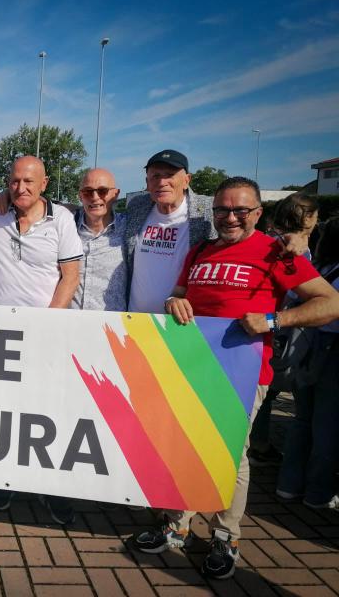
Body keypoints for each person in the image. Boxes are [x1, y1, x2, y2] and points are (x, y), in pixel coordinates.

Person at [134, 177, 339, 580]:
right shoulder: (201, 250)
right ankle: (177, 523)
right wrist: (175, 301)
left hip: (243, 371)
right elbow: (178, 293)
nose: (230, 218)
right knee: (184, 443)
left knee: (230, 453)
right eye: (222, 210)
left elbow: (330, 303)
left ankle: (226, 535)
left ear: (258, 214)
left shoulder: (275, 253)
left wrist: (274, 320)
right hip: (193, 366)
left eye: (240, 211)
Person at [0, 155, 83, 524]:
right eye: (13, 181)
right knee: (5, 413)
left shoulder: (61, 220)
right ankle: (4, 480)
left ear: (44, 184)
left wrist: (49, 324)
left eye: (29, 182)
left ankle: (51, 488)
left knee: (49, 415)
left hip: (46, 337)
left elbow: (70, 277)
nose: (20, 188)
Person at [248, 193, 321, 466]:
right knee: (278, 390)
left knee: (266, 392)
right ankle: (265, 447)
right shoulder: (290, 248)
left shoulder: (267, 238)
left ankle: (258, 442)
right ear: (308, 217)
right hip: (279, 327)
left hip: (268, 326)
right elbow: (300, 293)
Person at [276, 216, 339, 510]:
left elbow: (290, 294)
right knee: (327, 425)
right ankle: (317, 493)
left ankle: (288, 484)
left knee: (304, 419)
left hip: (306, 347)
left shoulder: (321, 266)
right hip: (330, 350)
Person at [125, 150, 216, 314]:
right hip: (135, 320)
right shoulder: (136, 206)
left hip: (180, 323)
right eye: (155, 176)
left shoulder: (207, 212)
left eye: (170, 175)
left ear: (187, 180)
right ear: (147, 182)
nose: (162, 182)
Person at [69, 168, 128, 311]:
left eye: (102, 191)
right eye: (87, 192)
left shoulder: (129, 228)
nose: (95, 197)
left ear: (115, 194)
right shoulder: (67, 226)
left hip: (112, 326)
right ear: (80, 196)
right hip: (69, 323)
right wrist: (8, 195)